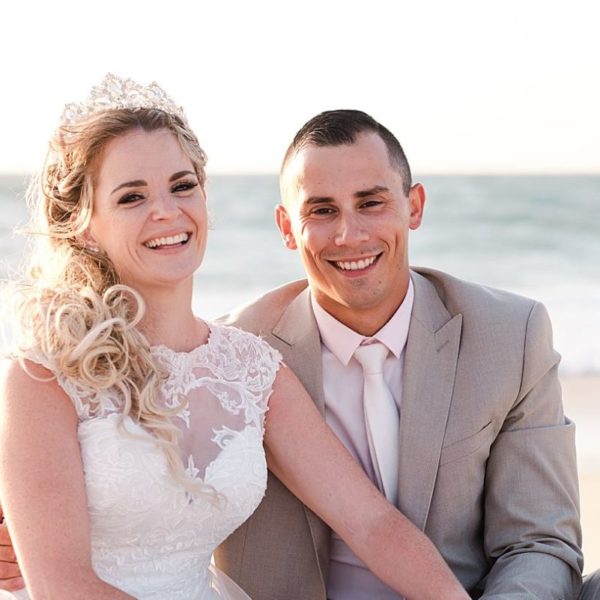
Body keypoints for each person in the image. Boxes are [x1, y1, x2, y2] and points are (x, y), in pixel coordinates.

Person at [0, 76, 468, 600]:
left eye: (182, 186)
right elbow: (63, 586)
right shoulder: (44, 374)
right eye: (132, 196)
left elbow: (370, 523)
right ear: (85, 226)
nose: (167, 211)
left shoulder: (251, 369)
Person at [209, 109, 598, 599]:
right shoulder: (234, 356)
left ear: (414, 206)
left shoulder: (509, 335)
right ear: (287, 227)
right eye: (322, 210)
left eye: (371, 203)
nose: (350, 235)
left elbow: (539, 541)